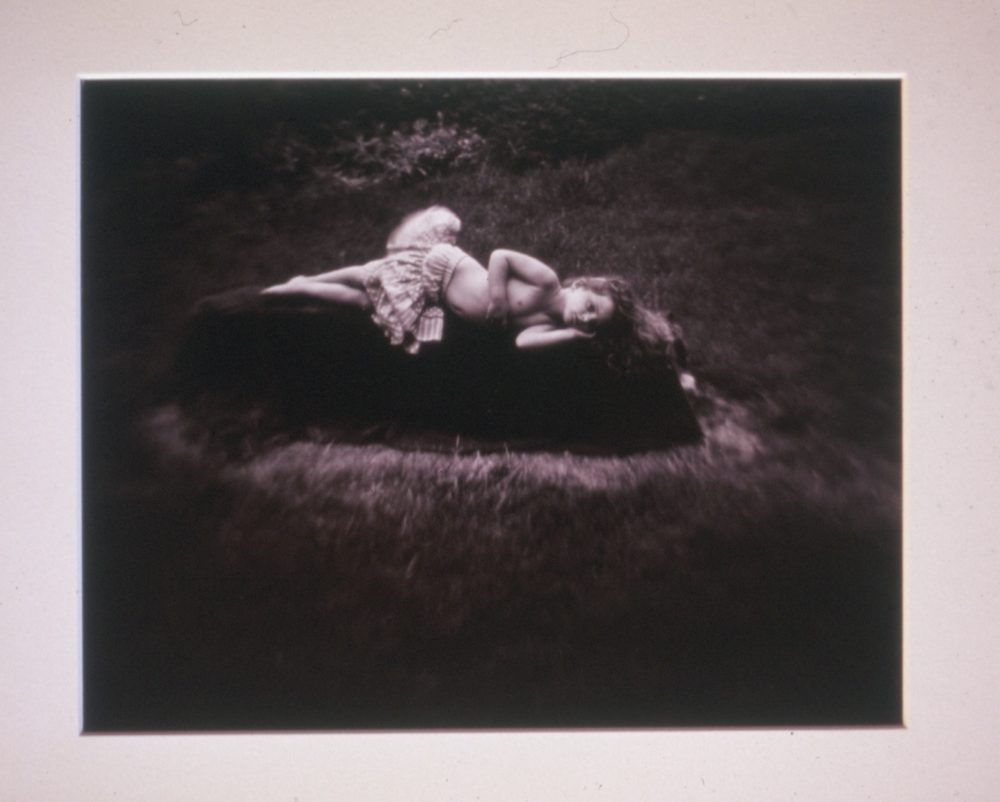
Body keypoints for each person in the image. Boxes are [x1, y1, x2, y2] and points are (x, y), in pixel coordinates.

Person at [262, 206, 687, 372]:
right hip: (444, 268)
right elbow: (500, 254)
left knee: (364, 303)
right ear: (581, 286)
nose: (586, 315)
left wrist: (572, 335)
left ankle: (302, 287)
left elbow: (523, 343)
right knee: (368, 274)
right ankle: (306, 282)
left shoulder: (544, 322)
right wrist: (499, 297)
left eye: (593, 322)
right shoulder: (548, 282)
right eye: (590, 305)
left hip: (436, 300)